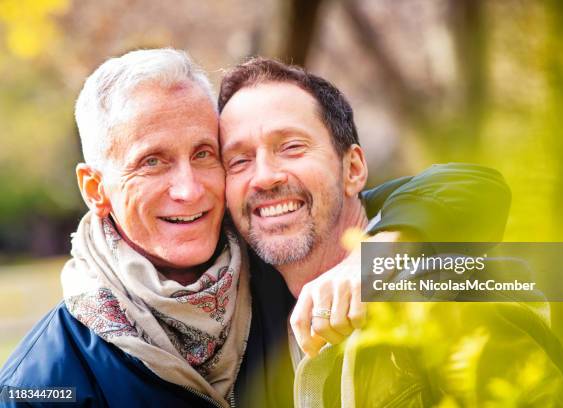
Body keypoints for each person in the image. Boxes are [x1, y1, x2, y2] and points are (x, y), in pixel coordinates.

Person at [0, 49, 511, 408]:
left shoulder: (273, 255)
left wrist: (375, 259)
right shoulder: (46, 380)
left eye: (205, 154)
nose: (190, 190)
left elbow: (469, 188)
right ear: (95, 188)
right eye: (152, 162)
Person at [217, 57, 518, 407]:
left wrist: (374, 257)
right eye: (238, 160)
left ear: (354, 169)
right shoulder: (242, 305)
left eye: (291, 147)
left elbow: (475, 186)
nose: (265, 176)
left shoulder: (443, 288)